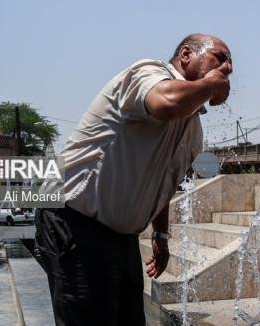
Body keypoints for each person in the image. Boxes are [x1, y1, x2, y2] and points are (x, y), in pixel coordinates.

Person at [34, 34, 232, 325]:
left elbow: (163, 184)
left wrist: (160, 236)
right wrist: (210, 84)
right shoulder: (148, 73)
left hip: (120, 235)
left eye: (230, 63)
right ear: (186, 54)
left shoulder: (192, 130)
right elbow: (166, 103)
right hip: (74, 220)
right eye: (220, 58)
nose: (228, 68)